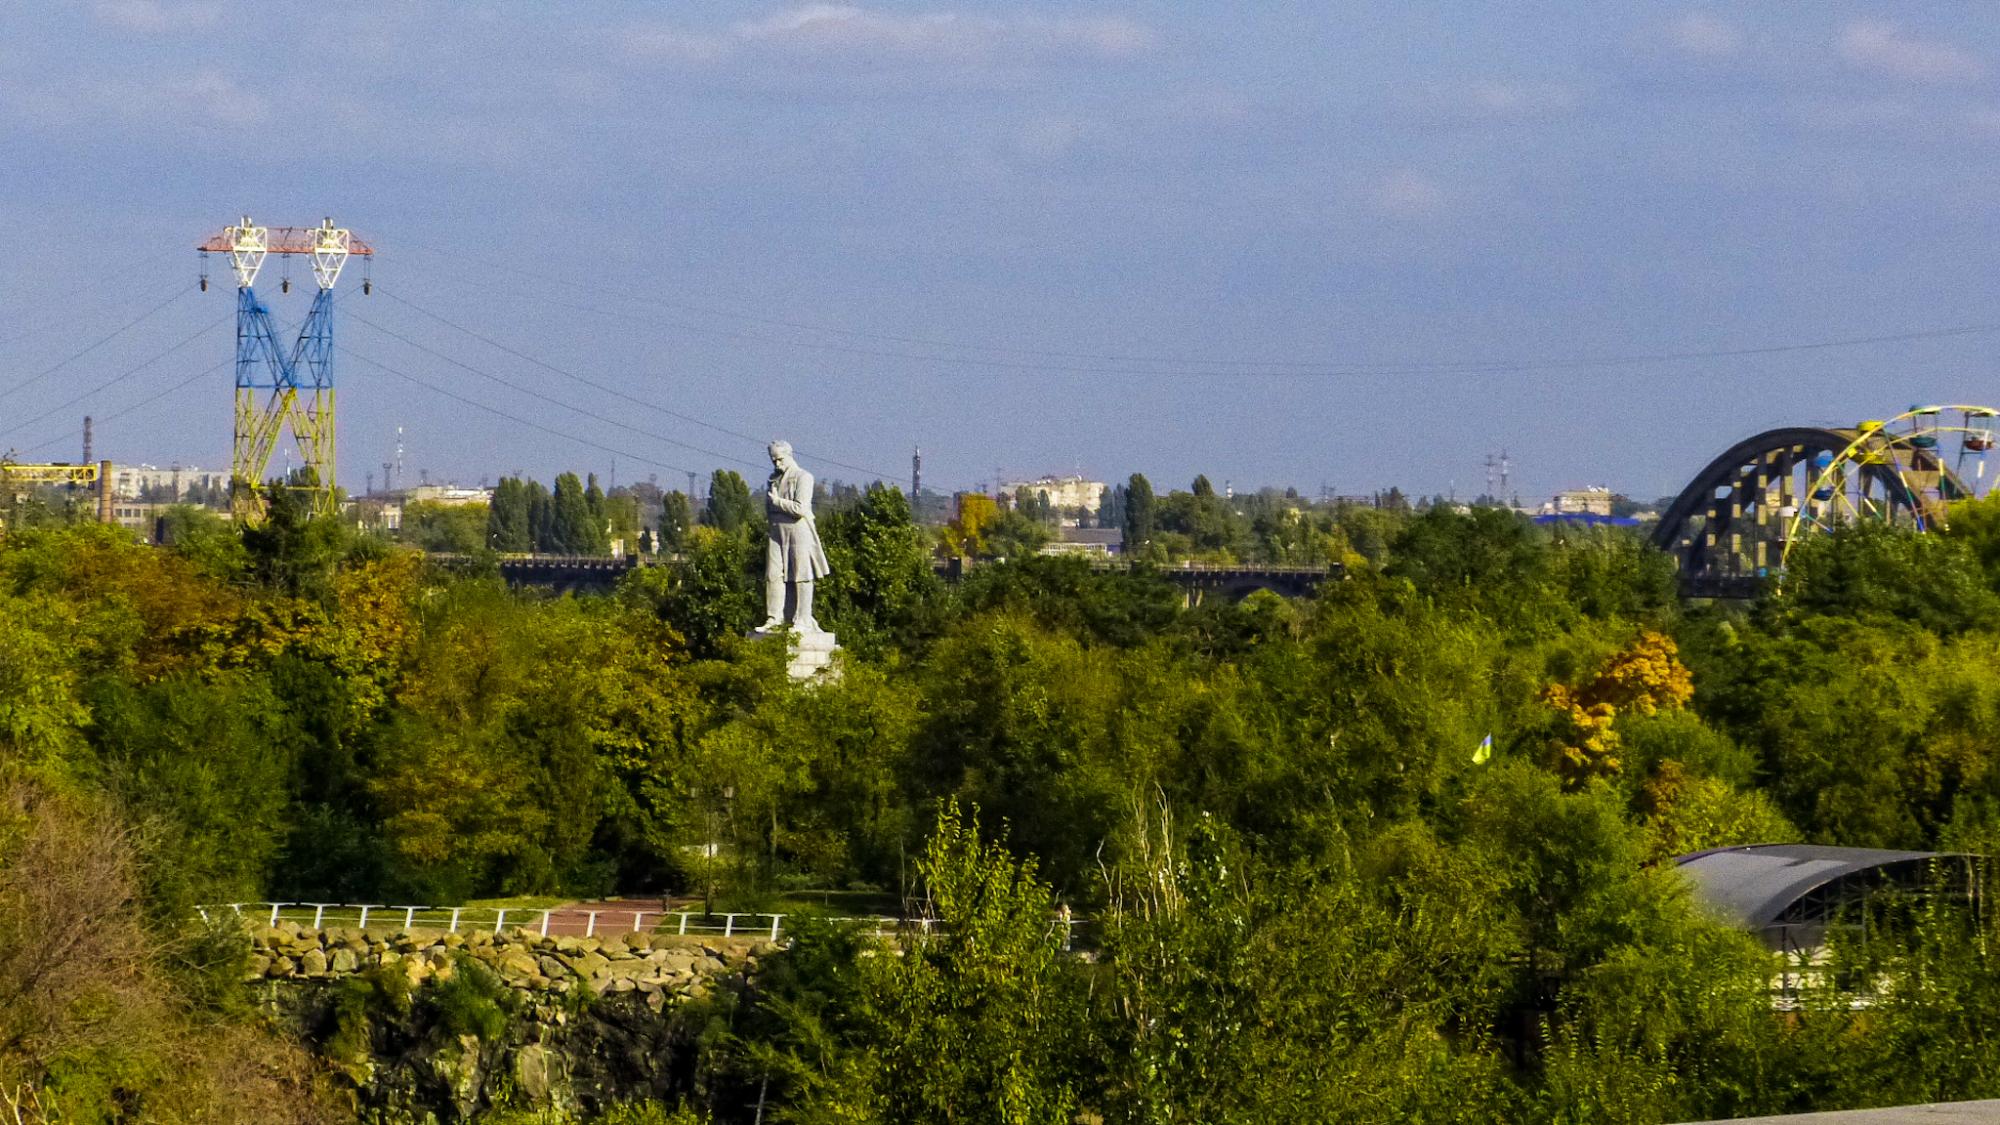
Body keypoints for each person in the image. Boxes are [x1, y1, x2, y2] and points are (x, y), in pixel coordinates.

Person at [759, 440, 831, 633]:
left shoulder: (803, 476)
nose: (777, 464)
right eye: (773, 460)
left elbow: (800, 508)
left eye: (780, 459)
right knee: (773, 574)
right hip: (776, 531)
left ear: (789, 455)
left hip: (798, 530)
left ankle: (803, 618)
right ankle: (774, 618)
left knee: (801, 573)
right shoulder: (773, 479)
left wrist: (777, 501)